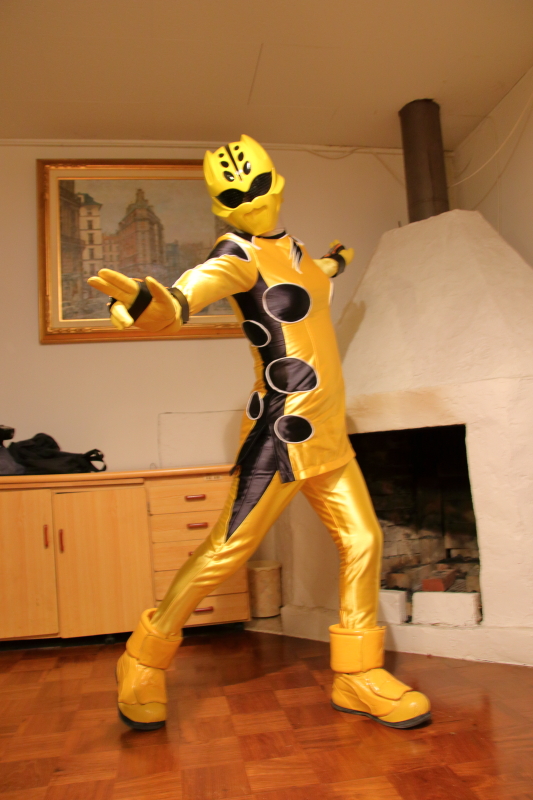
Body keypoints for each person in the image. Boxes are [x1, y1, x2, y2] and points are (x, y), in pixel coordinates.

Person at [88, 135, 431, 732]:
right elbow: (186, 295)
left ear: (278, 184)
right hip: (282, 433)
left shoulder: (294, 252)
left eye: (257, 186)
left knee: (364, 540)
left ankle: (357, 674)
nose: (249, 201)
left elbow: (314, 274)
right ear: (219, 207)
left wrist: (336, 260)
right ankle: (142, 659)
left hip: (328, 431)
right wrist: (151, 305)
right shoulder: (236, 256)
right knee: (227, 551)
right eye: (233, 196)